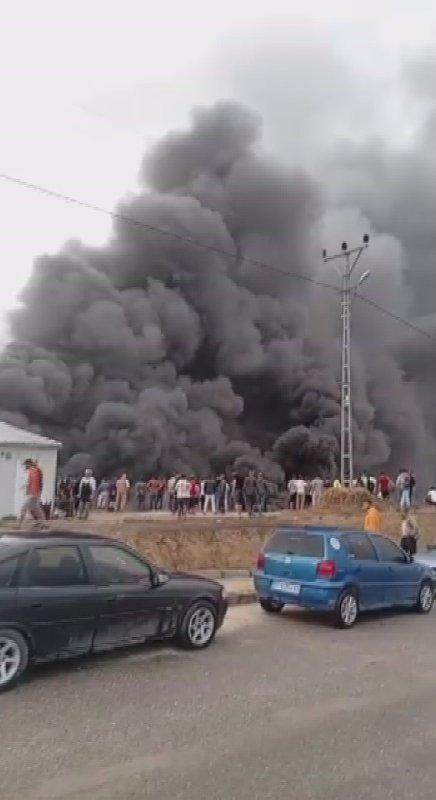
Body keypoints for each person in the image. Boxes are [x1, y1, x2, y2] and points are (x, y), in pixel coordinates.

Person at [19, 458, 46, 526]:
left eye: (26, 464)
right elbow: (32, 482)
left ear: (29, 464)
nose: (25, 466)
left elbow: (34, 482)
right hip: (36, 492)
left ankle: (20, 523)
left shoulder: (33, 471)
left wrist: (30, 491)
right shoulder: (35, 470)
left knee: (23, 507)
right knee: (35, 507)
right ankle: (42, 522)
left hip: (33, 492)